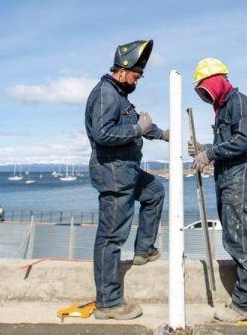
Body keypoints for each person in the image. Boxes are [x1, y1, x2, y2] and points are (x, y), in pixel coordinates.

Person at [85, 39, 169, 320]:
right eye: (136, 75)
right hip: (113, 174)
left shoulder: (121, 96)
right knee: (111, 236)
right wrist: (136, 129)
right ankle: (108, 303)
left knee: (155, 190)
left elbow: (139, 125)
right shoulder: (105, 94)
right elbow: (102, 133)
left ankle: (144, 249)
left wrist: (163, 134)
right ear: (122, 70)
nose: (138, 80)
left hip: (127, 170)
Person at [188, 57, 247, 323]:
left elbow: (244, 141)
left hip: (241, 184)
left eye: (206, 90)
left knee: (243, 244)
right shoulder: (223, 109)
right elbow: (229, 144)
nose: (205, 96)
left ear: (218, 81)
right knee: (236, 242)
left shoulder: (240, 103)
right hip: (230, 184)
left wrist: (210, 153)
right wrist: (204, 149)